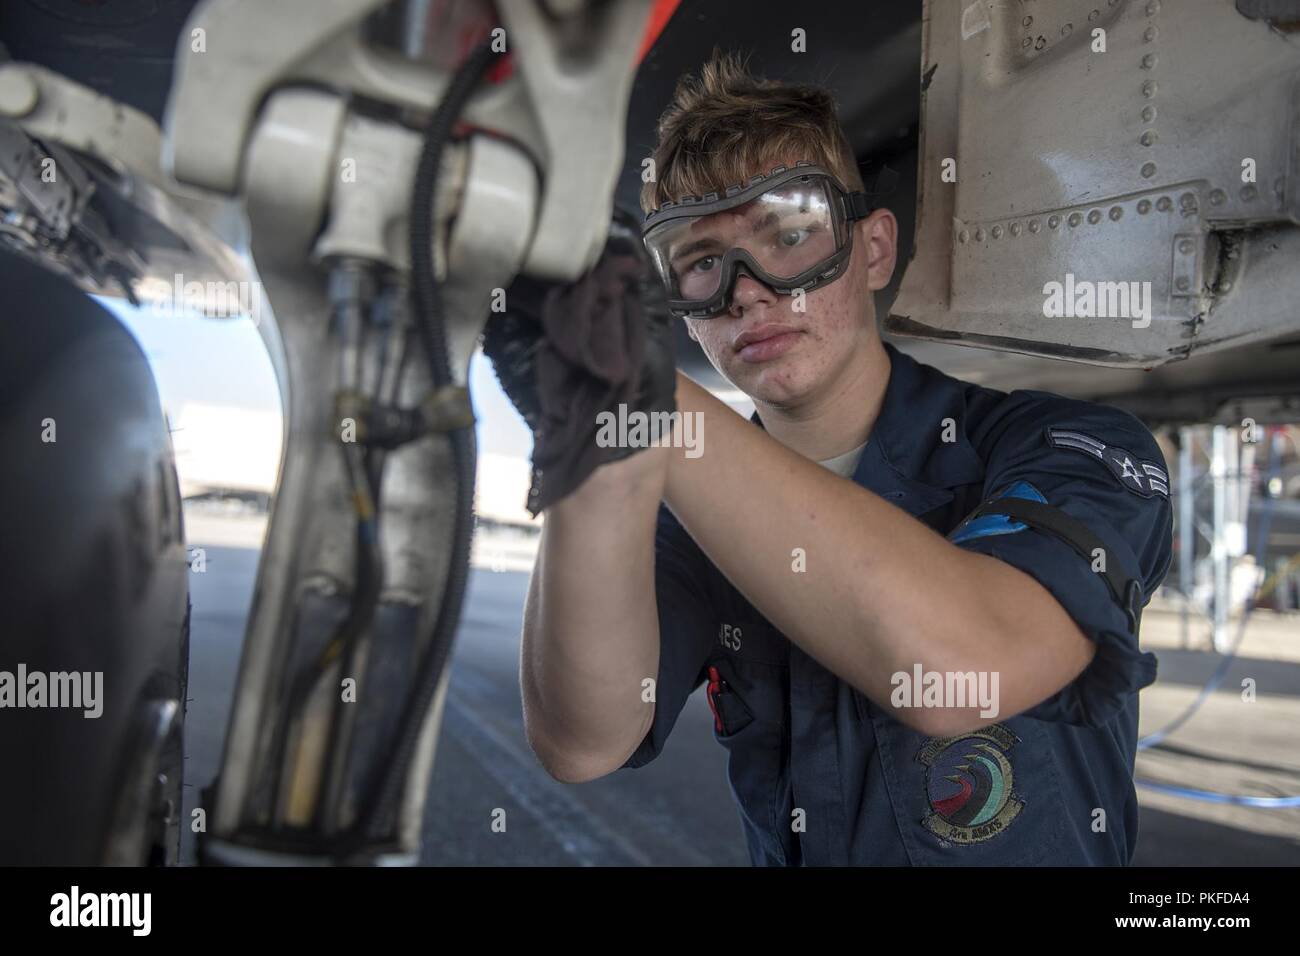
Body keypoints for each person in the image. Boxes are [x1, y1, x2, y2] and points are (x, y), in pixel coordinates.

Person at [484, 52, 1173, 865]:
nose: (746, 291)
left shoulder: (1068, 450)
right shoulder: (689, 515)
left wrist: (649, 396)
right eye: (702, 263)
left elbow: (966, 669)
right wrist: (588, 440)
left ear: (874, 250)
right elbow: (582, 739)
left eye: (789, 235)